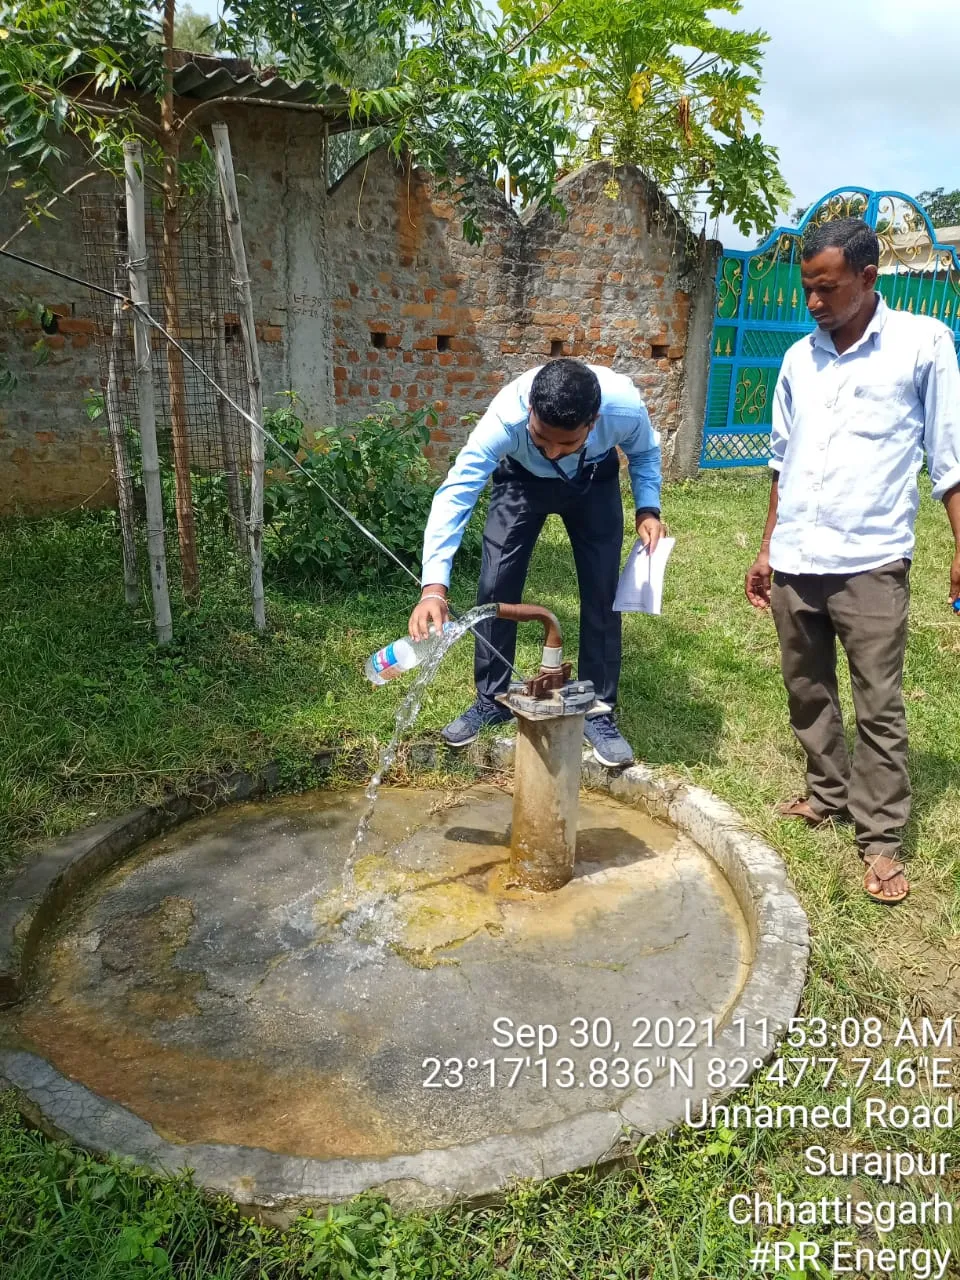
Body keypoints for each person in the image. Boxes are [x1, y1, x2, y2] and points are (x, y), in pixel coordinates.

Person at [744, 217, 960, 904]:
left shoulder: (922, 344)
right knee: (806, 689)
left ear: (868, 277)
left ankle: (881, 838)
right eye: (807, 288)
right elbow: (781, 461)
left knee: (878, 704)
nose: (814, 302)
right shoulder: (797, 359)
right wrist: (768, 547)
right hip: (798, 556)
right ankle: (826, 793)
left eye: (827, 288)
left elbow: (949, 459)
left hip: (871, 558)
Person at [408, 358, 664, 767]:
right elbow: (456, 493)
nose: (552, 451)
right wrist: (433, 588)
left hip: (593, 480)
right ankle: (492, 699)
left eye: (566, 443)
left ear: (594, 422)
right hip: (520, 480)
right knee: (496, 585)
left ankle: (597, 708)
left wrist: (647, 508)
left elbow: (645, 453)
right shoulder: (504, 420)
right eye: (542, 437)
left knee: (602, 593)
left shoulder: (624, 409)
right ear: (530, 410)